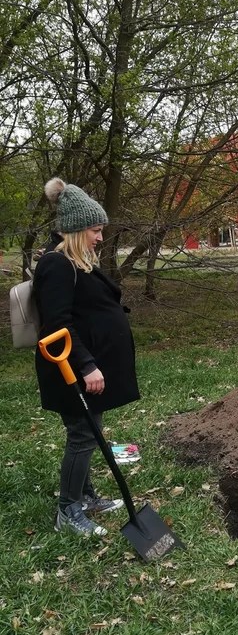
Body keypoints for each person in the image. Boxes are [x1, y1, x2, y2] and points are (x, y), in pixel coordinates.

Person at [34, 177, 140, 537]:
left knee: (90, 430)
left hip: (84, 365)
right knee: (82, 434)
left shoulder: (77, 261)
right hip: (71, 368)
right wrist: (88, 365)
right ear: (77, 229)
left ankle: (87, 494)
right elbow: (57, 325)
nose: (100, 237)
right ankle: (68, 509)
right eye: (95, 230)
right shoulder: (57, 266)